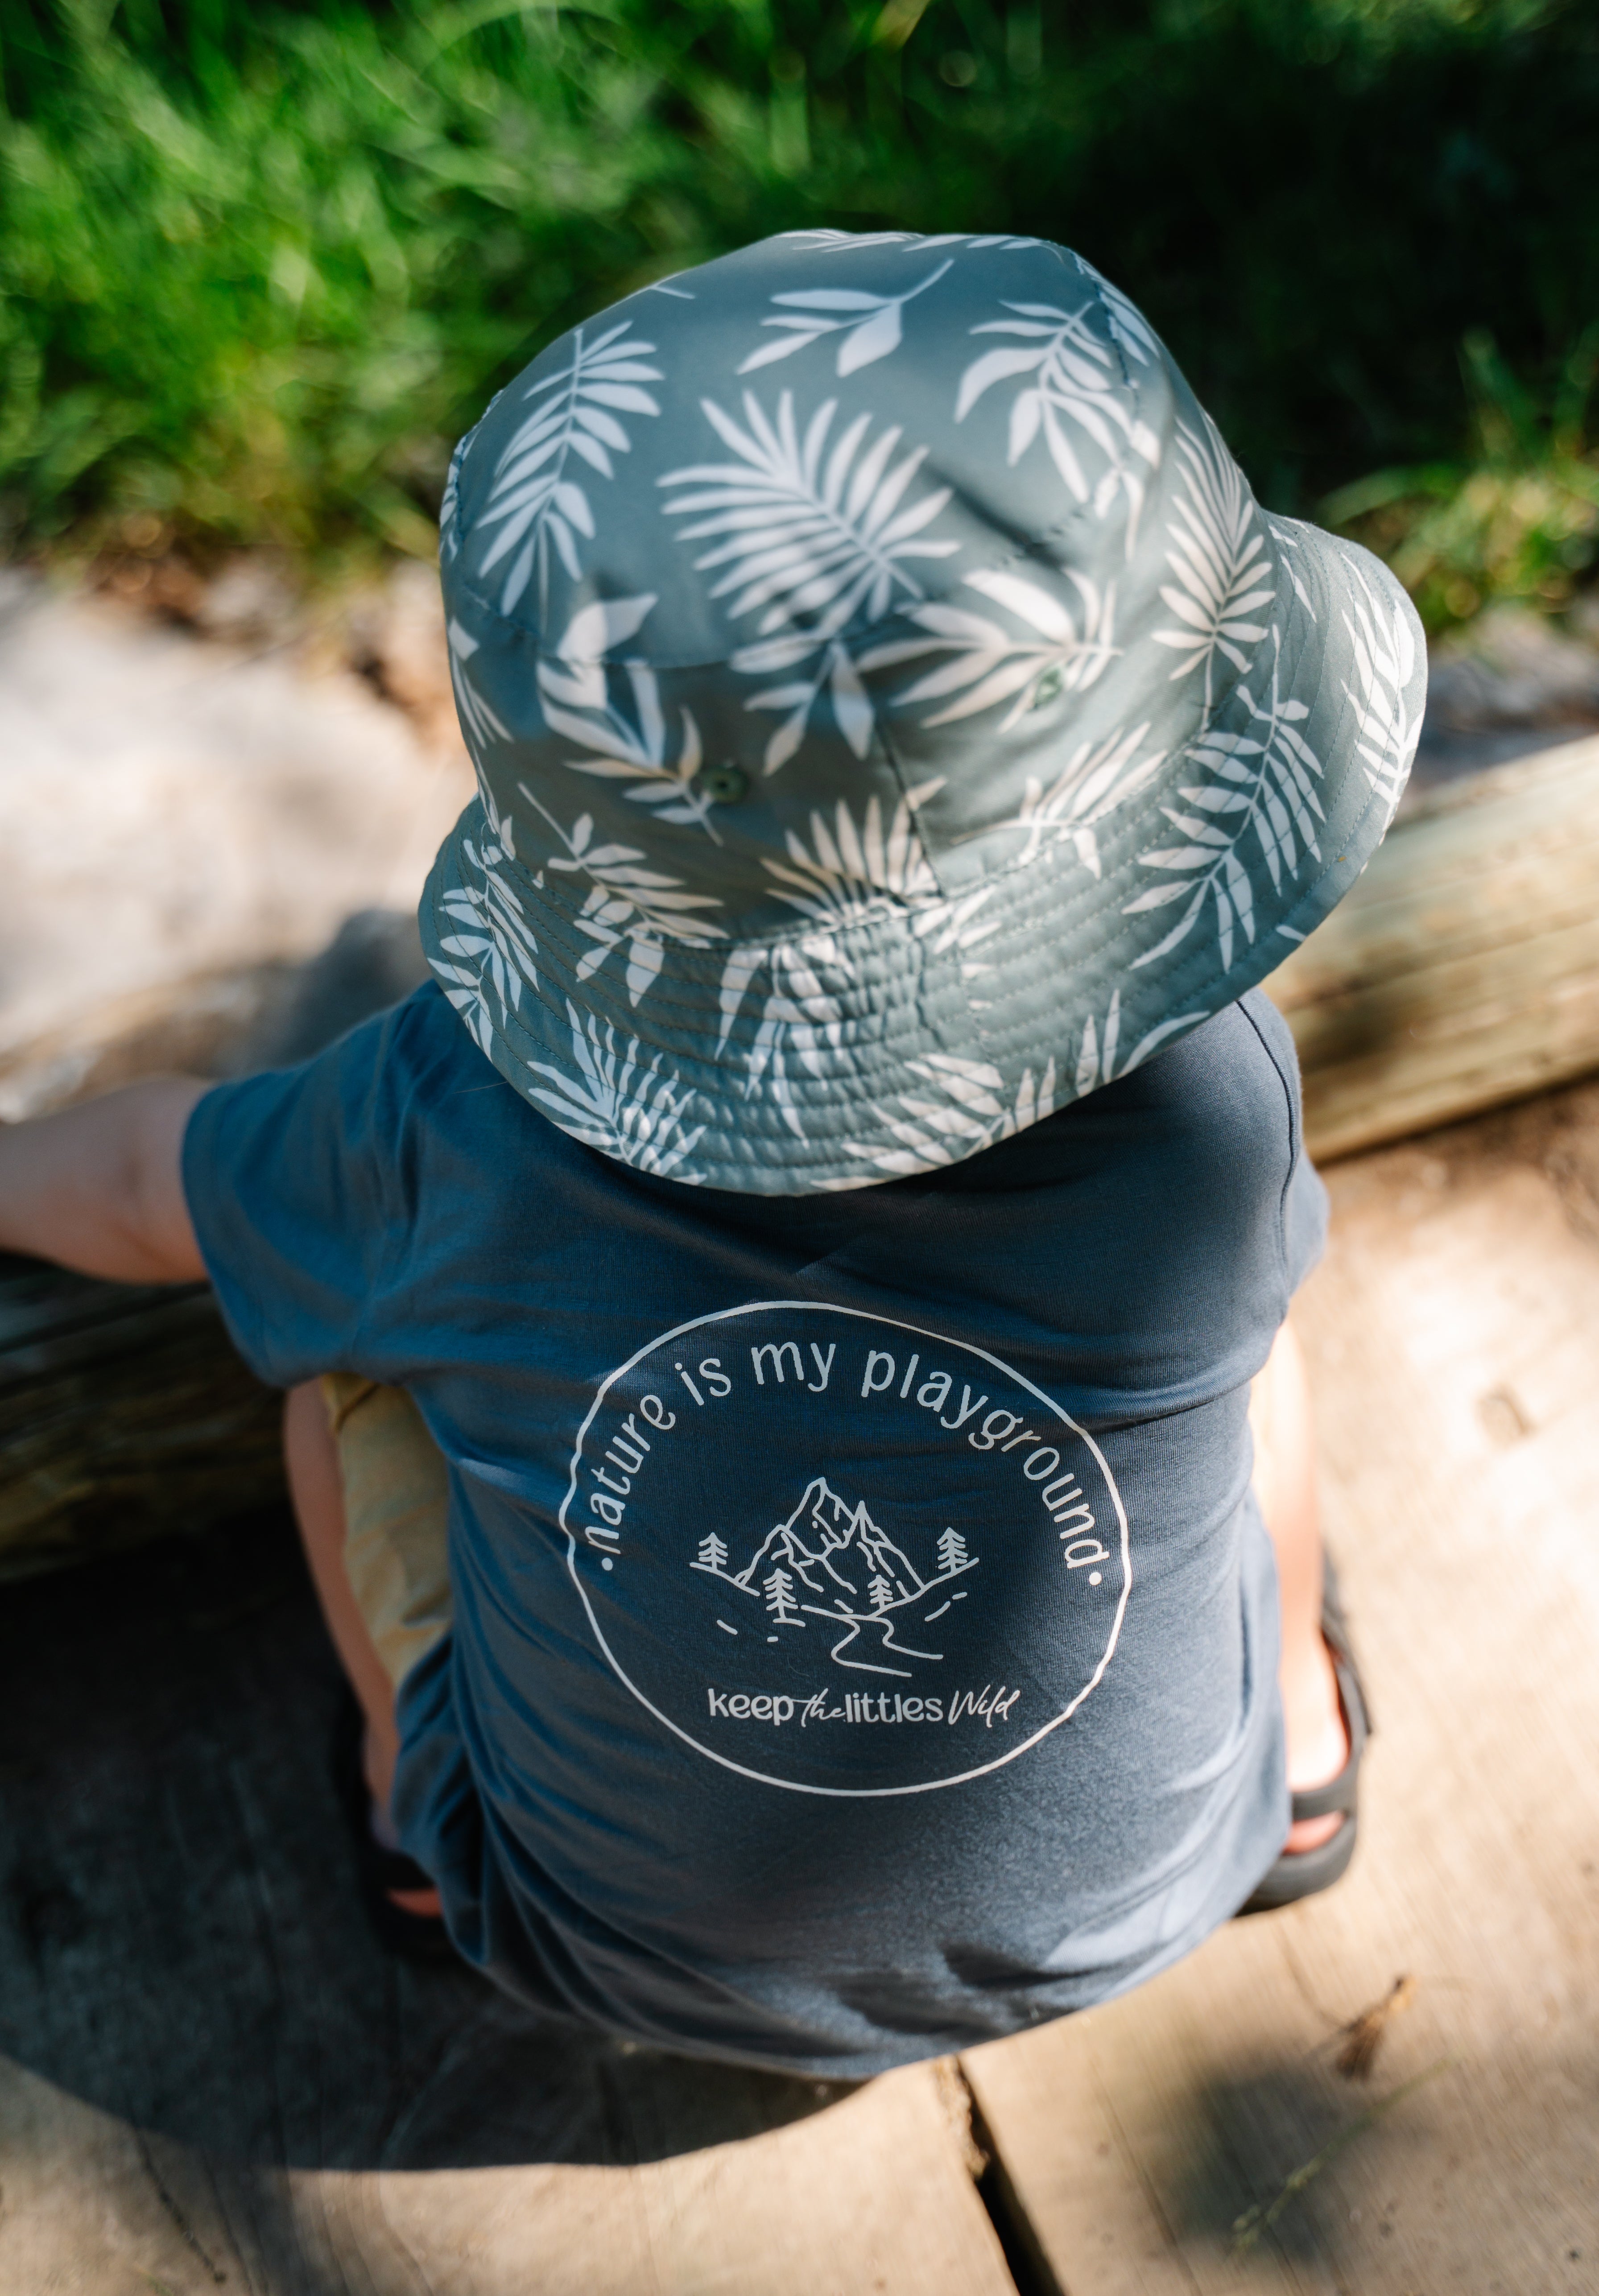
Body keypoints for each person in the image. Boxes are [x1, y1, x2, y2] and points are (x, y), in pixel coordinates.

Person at [0, 234, 1421, 2075]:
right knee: (1248, 1344)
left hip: (597, 1946)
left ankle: (407, 1826)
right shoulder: (1209, 1109)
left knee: (332, 1355)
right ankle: (1301, 1751)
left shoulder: (444, 1120)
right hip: (1157, 1882)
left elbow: (140, 1191)